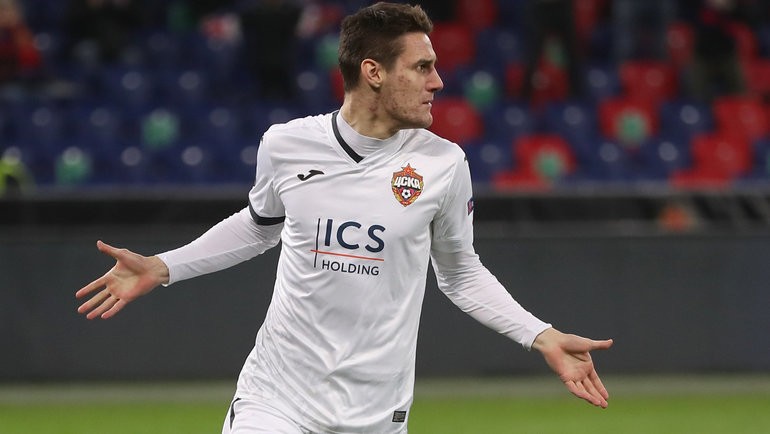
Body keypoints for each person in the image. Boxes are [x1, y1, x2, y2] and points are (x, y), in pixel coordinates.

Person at [76, 3, 613, 433]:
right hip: (277, 398)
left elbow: (460, 272)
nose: (438, 82)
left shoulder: (444, 164)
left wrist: (541, 335)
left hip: (375, 413)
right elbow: (259, 225)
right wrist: (163, 266)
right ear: (373, 71)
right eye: (421, 67)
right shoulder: (286, 144)